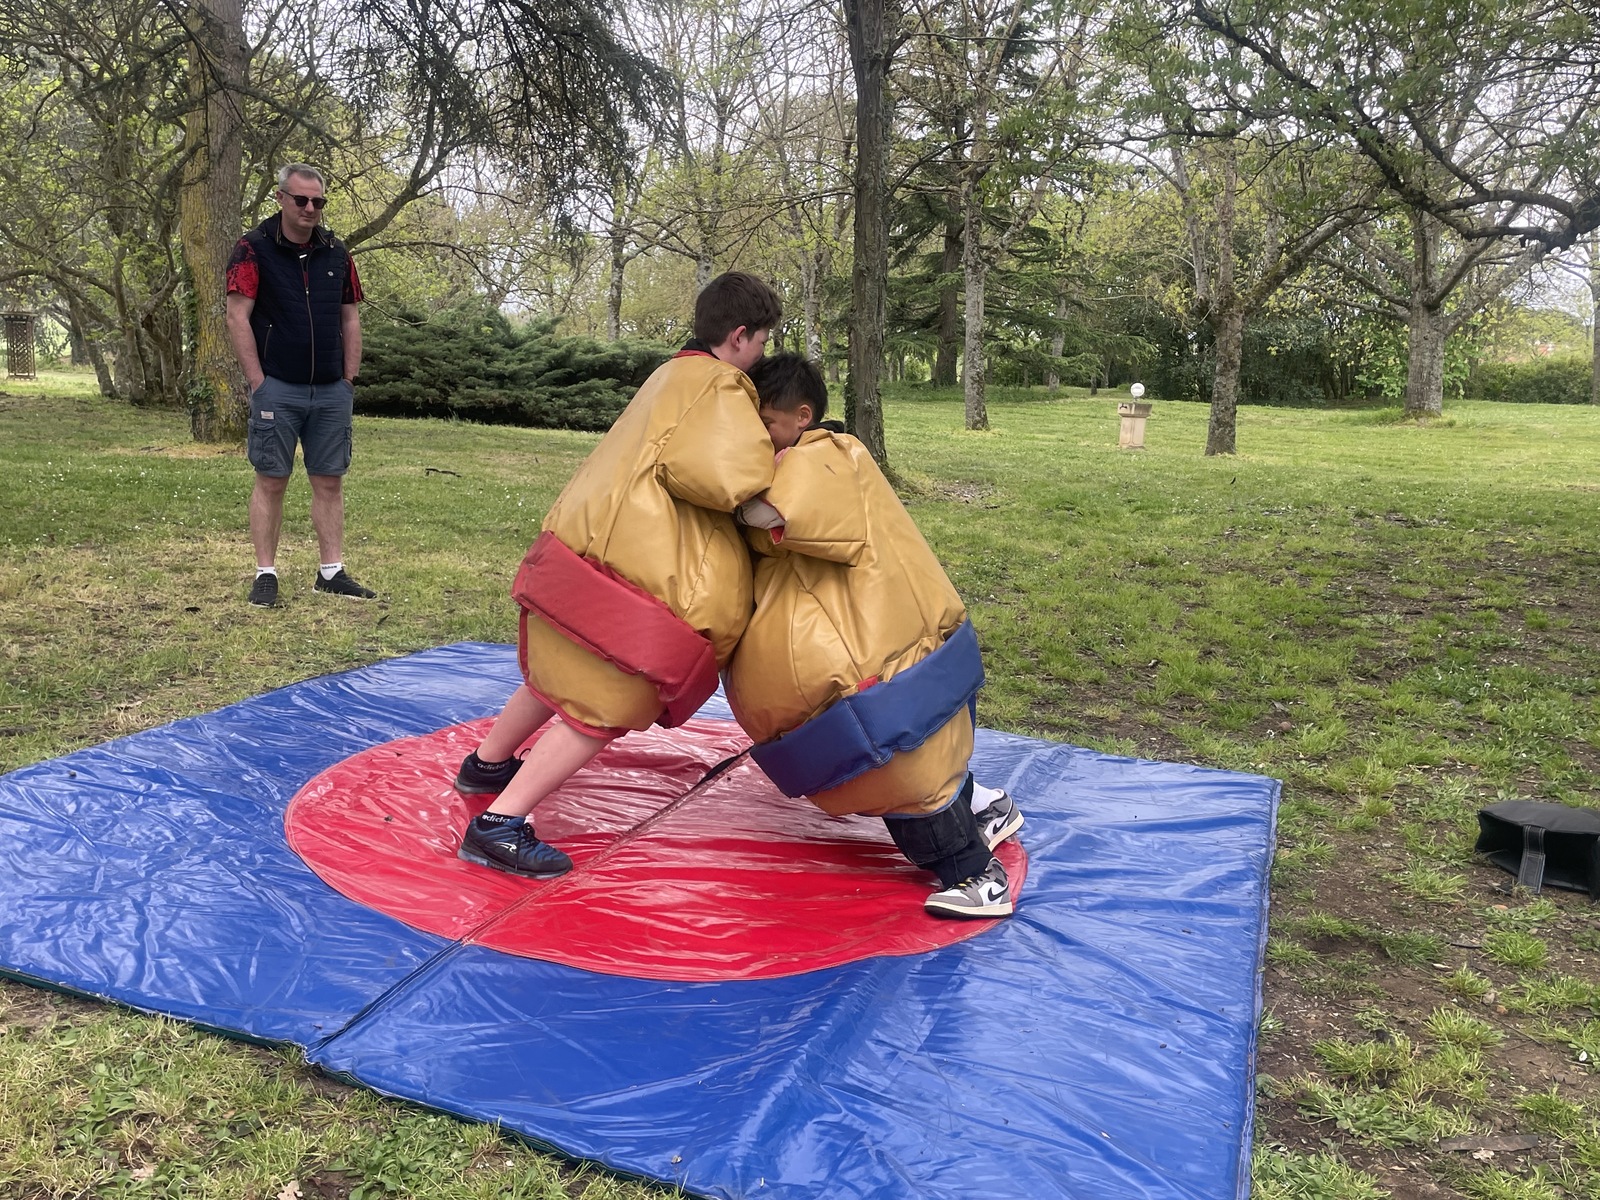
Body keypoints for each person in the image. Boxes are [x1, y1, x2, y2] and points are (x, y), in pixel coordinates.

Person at [451, 271, 782, 879]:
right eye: (762, 341)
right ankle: (500, 823)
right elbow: (726, 479)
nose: (762, 355)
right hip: (635, 565)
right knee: (605, 700)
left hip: (582, 542)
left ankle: (487, 763)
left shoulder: (670, 374)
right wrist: (779, 474)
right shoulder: (722, 385)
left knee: (564, 668)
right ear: (739, 336)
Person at [724, 354, 1023, 918]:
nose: (757, 438)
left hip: (882, 655)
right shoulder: (824, 456)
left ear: (801, 416)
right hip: (896, 645)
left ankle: (978, 877)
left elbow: (770, 513)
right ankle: (987, 809)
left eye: (764, 425)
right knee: (917, 756)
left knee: (900, 777)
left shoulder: (824, 455)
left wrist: (721, 493)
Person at [226, 163, 375, 608]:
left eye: (318, 201)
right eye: (301, 200)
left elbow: (351, 318)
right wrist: (257, 381)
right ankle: (265, 573)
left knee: (329, 481)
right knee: (272, 480)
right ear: (281, 198)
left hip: (330, 390)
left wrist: (348, 379)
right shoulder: (252, 248)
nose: (310, 208)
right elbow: (237, 317)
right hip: (277, 387)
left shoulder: (336, 253)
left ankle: (331, 572)